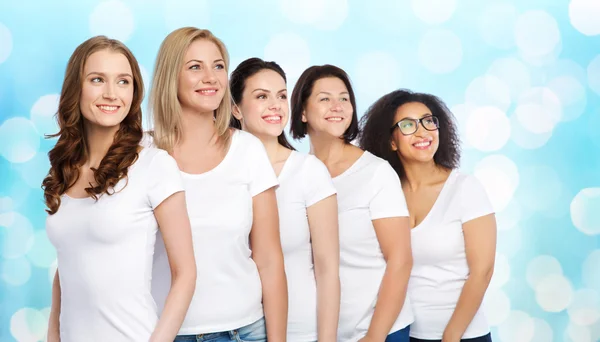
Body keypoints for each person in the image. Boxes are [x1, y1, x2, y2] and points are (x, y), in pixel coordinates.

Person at [43, 36, 196, 341]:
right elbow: (69, 263)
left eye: (123, 81)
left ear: (134, 91)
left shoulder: (154, 165)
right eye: (97, 79)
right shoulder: (64, 168)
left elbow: (186, 275)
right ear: (77, 87)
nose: (111, 94)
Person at [148, 28, 288, 342]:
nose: (211, 77)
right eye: (195, 66)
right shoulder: (142, 154)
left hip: (245, 332)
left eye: (219, 66)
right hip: (163, 333)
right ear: (172, 75)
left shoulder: (248, 150)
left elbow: (269, 258)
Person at [359, 89, 496, 342]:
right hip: (402, 333)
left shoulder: (465, 188)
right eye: (408, 125)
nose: (422, 131)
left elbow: (483, 271)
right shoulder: (385, 194)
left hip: (463, 336)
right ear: (391, 141)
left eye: (428, 121)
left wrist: (452, 335)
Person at [290, 65, 414, 342]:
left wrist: (374, 336)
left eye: (344, 98)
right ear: (302, 112)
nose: (337, 106)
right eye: (324, 98)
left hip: (377, 331)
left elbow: (401, 260)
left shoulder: (375, 173)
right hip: (319, 333)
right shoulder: (294, 174)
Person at [230, 57, 340, 342]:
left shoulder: (309, 171)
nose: (276, 105)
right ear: (235, 108)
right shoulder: (222, 172)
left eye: (281, 96)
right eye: (262, 96)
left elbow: (327, 269)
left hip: (300, 330)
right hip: (234, 328)